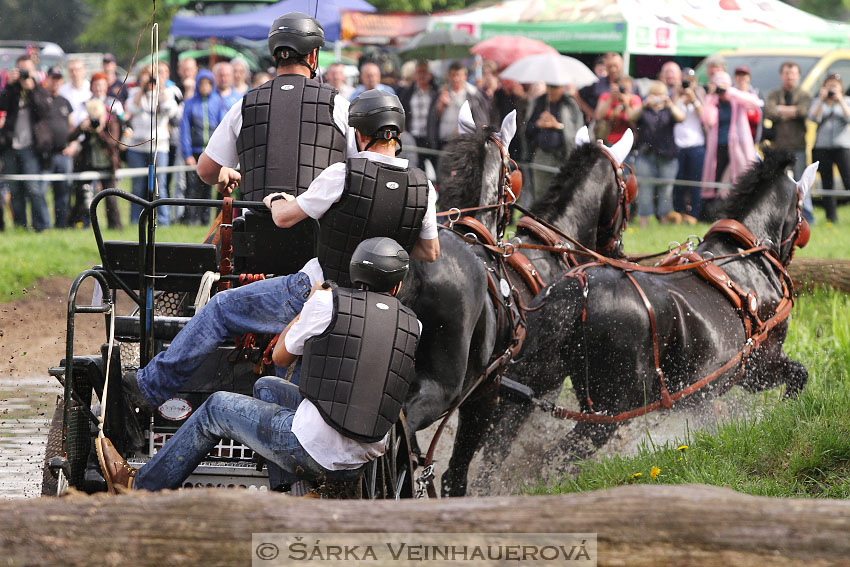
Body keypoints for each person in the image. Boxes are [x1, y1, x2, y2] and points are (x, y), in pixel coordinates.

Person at [123, 88, 439, 422]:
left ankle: (150, 386)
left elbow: (284, 218)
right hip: (378, 305)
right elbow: (429, 250)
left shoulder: (342, 175)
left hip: (317, 291)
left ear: (360, 135)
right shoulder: (423, 188)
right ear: (398, 134)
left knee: (221, 308)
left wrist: (274, 198)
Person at [97, 237, 422, 494]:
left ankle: (139, 487)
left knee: (215, 409)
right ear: (396, 287)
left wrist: (305, 310)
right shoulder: (413, 324)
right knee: (266, 387)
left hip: (317, 450)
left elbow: (280, 356)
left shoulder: (327, 302)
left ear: (354, 275)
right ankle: (295, 490)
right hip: (360, 458)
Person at [700, 71, 761, 221]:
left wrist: (730, 91)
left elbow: (756, 103)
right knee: (718, 180)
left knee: (739, 178)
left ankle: (741, 213)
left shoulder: (737, 99)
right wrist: (712, 99)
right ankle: (715, 214)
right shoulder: (713, 100)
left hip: (739, 148)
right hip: (718, 148)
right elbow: (708, 119)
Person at [0, 55, 51, 231]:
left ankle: (42, 226)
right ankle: (20, 226)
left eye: (26, 70)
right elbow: (2, 104)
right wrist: (9, 84)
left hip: (31, 147)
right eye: (21, 70)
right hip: (10, 146)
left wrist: (31, 88)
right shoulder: (11, 90)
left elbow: (44, 111)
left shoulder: (38, 89)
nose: (23, 74)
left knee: (34, 189)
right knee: (14, 190)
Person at [124, 66, 179, 225]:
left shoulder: (165, 94)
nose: (150, 79)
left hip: (159, 147)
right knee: (137, 186)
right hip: (137, 146)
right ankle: (136, 220)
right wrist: (142, 88)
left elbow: (170, 110)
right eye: (147, 75)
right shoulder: (135, 93)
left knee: (159, 185)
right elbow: (132, 108)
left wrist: (161, 86)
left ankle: (163, 220)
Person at [630, 80, 685, 228]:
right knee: (645, 189)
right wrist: (643, 105)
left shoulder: (669, 110)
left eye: (660, 95)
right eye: (654, 94)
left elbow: (681, 117)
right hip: (645, 156)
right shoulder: (644, 111)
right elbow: (631, 117)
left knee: (666, 190)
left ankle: (664, 221)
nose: (657, 98)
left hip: (668, 156)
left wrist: (670, 104)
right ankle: (644, 223)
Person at [765, 61, 814, 223]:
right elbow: (769, 111)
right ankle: (776, 216)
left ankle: (806, 217)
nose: (789, 76)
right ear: (781, 75)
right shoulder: (773, 93)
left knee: (802, 184)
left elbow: (803, 111)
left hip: (798, 146)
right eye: (786, 73)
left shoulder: (805, 95)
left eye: (792, 73)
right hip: (778, 147)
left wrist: (780, 110)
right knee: (776, 183)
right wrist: (791, 111)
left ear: (798, 75)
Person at [179, 69, 227, 225]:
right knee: (192, 188)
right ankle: (191, 219)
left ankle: (206, 219)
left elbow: (223, 128)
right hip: (195, 152)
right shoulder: (190, 104)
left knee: (208, 188)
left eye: (208, 84)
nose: (205, 87)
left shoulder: (217, 102)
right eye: (202, 84)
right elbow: (185, 130)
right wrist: (187, 154)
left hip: (212, 153)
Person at [525, 83, 584, 199]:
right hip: (542, 156)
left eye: (555, 87)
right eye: (550, 87)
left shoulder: (569, 104)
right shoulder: (539, 103)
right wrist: (538, 124)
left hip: (563, 156)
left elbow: (577, 129)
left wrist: (558, 126)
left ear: (562, 87)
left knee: (561, 195)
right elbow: (527, 131)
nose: (552, 91)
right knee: (541, 194)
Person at [808, 73, 850, 223]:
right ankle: (831, 217)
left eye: (835, 86)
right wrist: (821, 100)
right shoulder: (819, 102)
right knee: (827, 182)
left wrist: (840, 101)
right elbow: (813, 117)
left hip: (842, 147)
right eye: (829, 86)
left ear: (841, 88)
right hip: (822, 147)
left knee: (848, 179)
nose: (832, 89)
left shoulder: (846, 101)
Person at [429, 61, 489, 150]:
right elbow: (433, 119)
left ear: (465, 76)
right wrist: (440, 106)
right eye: (453, 75)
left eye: (458, 75)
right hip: (444, 143)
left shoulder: (473, 94)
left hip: (465, 143)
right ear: (449, 76)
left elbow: (481, 121)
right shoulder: (441, 93)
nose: (455, 79)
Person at [672, 67, 706, 223]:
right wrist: (677, 94)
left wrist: (693, 98)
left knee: (695, 182)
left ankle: (694, 215)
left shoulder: (699, 95)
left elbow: (704, 116)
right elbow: (671, 113)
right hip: (678, 145)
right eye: (685, 80)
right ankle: (678, 212)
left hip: (696, 145)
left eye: (690, 81)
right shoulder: (674, 96)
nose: (687, 84)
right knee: (678, 181)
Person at [42, 66, 74, 228]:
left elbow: (71, 126)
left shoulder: (65, 101)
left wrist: (72, 145)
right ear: (46, 79)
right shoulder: (41, 99)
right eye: (52, 78)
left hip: (63, 154)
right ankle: (42, 226)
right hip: (44, 155)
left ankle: (61, 225)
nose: (55, 82)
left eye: (58, 79)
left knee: (63, 193)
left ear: (61, 81)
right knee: (40, 192)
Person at [397, 60, 437, 152]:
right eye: (419, 72)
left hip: (431, 138)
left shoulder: (436, 93)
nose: (422, 75)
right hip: (413, 138)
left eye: (424, 72)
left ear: (430, 74)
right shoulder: (407, 94)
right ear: (414, 75)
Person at [594, 74, 642, 145]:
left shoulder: (634, 99)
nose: (623, 91)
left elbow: (632, 118)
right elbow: (598, 116)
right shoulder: (606, 97)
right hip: (606, 140)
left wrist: (626, 103)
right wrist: (610, 98)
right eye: (621, 87)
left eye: (626, 89)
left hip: (626, 142)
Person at [577, 53, 613, 122]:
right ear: (594, 69)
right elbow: (577, 96)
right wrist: (589, 112)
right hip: (595, 120)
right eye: (600, 70)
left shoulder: (614, 82)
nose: (602, 73)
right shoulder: (592, 83)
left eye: (604, 70)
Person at [59, 58, 91, 126]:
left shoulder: (91, 88)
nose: (74, 73)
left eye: (77, 69)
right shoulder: (62, 90)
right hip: (70, 130)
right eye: (71, 70)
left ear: (83, 71)